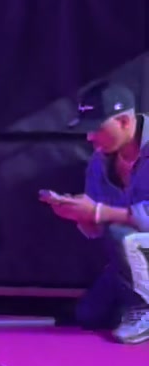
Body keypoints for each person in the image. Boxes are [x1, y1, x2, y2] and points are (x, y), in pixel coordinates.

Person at [40, 79, 149, 343]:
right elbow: (98, 229)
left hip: (138, 246)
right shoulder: (100, 162)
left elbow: (109, 219)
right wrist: (80, 215)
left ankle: (145, 310)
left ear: (124, 122)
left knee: (123, 235)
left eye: (96, 129)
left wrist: (100, 212)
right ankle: (130, 304)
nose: (90, 138)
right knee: (88, 315)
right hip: (134, 260)